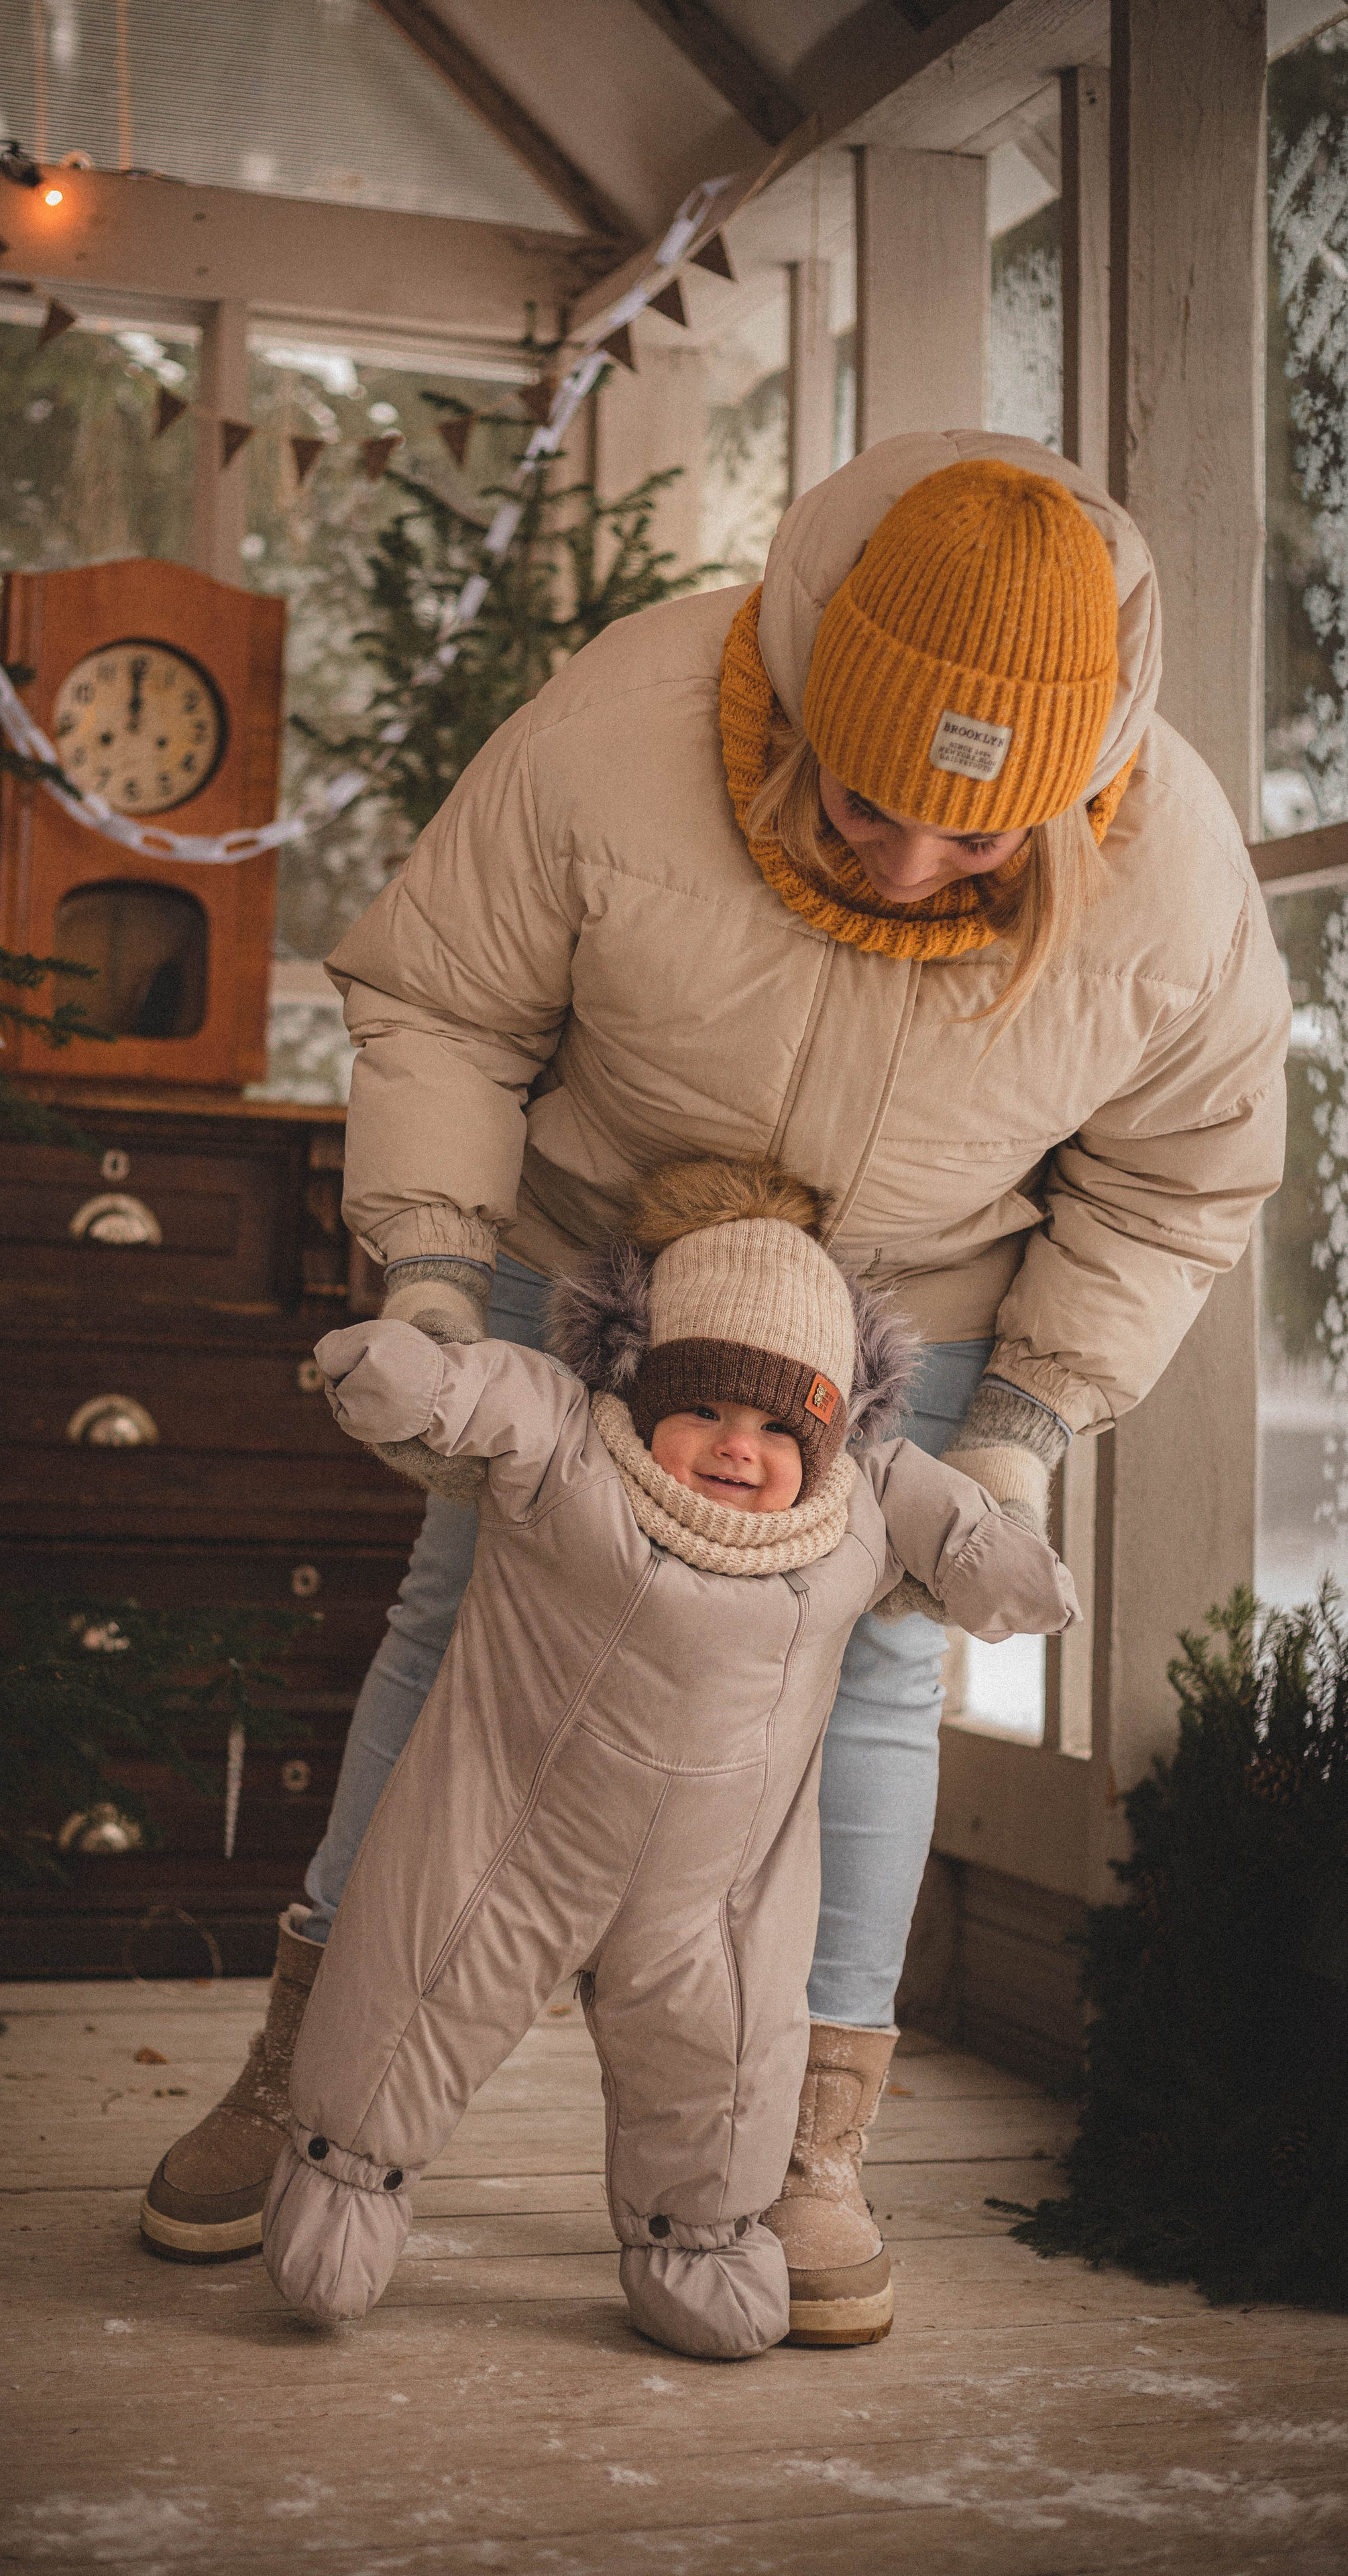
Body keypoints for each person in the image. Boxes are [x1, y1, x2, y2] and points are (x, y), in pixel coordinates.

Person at [141, 433, 1289, 2345]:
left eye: (979, 839)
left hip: (915, 1311)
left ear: (1082, 779)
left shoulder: (1171, 875)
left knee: (890, 1668)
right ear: (805, 697)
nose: (915, 865)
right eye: (864, 805)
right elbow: (446, 996)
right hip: (593, 1253)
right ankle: (303, 2067)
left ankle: (800, 2147)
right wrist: (434, 1280)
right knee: (454, 1611)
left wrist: (1016, 1436)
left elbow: (1182, 1180)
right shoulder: (627, 722)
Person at [260, 1158, 1078, 2361]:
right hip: (510, 1837)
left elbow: (954, 1527)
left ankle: (695, 2239)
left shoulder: (857, 1505)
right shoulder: (572, 1449)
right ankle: (345, 2181)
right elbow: (477, 1391)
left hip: (713, 1894)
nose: (737, 1448)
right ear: (644, 1393)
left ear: (831, 1429)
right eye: (702, 1409)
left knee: (728, 2062)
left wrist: (1002, 1553)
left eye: (775, 1423)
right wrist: (410, 1368)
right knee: (412, 1989)